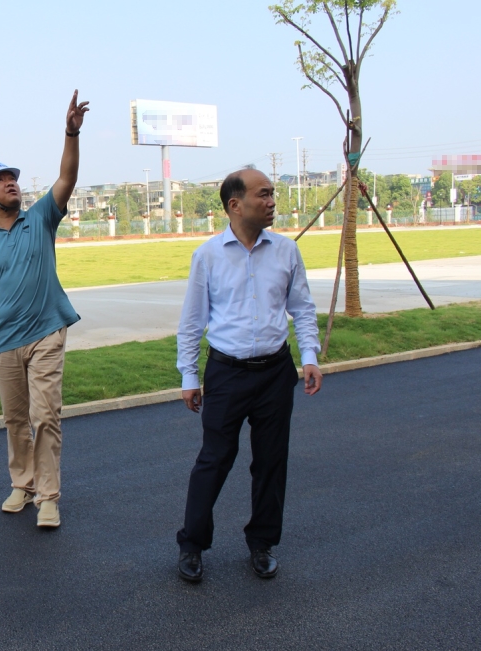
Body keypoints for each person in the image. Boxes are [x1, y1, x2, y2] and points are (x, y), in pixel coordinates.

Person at [0, 90, 90, 529]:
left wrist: (70, 133)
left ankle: (48, 496)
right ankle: (22, 485)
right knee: (14, 420)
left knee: (45, 417)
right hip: (5, 341)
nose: (12, 182)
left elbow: (66, 177)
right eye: (2, 179)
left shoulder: (41, 217)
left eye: (13, 177)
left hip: (46, 331)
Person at [175, 169, 322, 582]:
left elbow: (302, 308)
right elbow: (192, 321)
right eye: (264, 194)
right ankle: (192, 545)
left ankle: (262, 542)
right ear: (235, 205)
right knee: (214, 460)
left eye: (272, 194)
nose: (272, 202)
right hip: (227, 374)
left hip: (276, 372)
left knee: (272, 462)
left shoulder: (287, 251)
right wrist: (189, 375)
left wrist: (309, 355)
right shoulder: (208, 255)